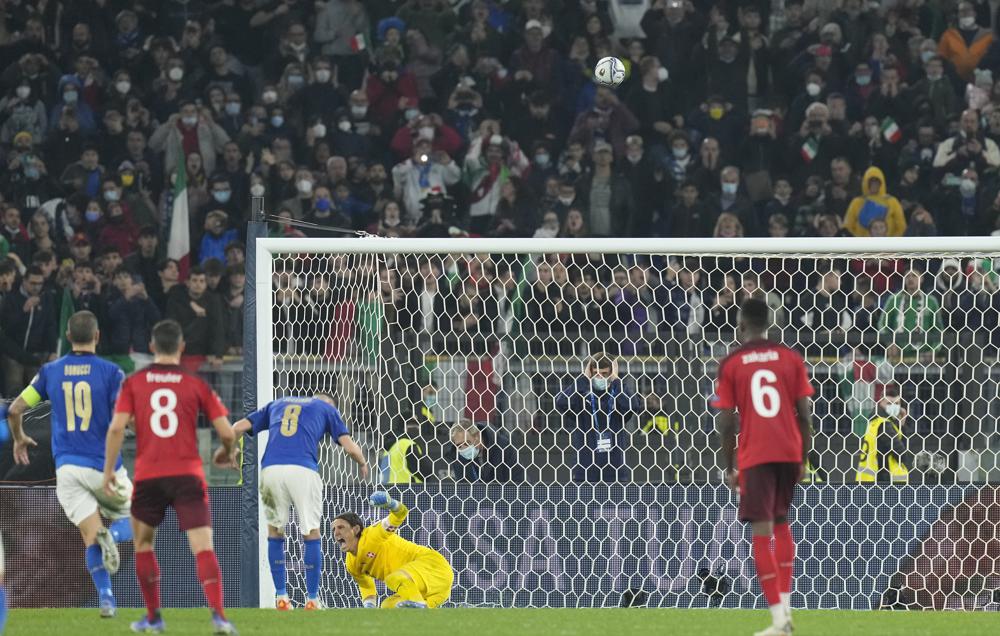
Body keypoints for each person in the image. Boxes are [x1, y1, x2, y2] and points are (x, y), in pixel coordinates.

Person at [102, 319, 238, 634]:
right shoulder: (197, 384)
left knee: (144, 544)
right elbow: (227, 433)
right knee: (203, 546)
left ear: (151, 347)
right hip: (188, 475)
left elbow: (116, 427)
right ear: (182, 348)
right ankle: (219, 616)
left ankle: (154, 618)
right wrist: (224, 452)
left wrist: (109, 471)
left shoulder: (134, 383)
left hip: (149, 475)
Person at [6, 311, 132, 618]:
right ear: (97, 336)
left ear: (68, 335)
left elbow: (16, 408)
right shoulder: (111, 372)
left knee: (89, 535)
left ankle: (106, 597)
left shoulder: (50, 372)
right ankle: (112, 537)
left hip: (68, 470)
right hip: (103, 465)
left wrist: (20, 438)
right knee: (135, 517)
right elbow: (123, 419)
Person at [714, 298, 814, 636]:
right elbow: (806, 415)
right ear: (768, 324)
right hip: (788, 451)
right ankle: (785, 611)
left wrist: (729, 465)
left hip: (756, 455)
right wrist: (803, 459)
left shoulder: (732, 363)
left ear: (741, 326)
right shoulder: (790, 358)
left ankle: (778, 621)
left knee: (761, 534)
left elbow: (727, 423)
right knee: (783, 524)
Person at [230, 394, 368, 610]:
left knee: (275, 532)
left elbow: (237, 427)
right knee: (311, 532)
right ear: (329, 404)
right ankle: (312, 599)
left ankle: (282, 598)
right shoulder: (327, 408)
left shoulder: (277, 404)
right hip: (303, 470)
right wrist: (362, 462)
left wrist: (230, 449)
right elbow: (349, 447)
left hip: (270, 471)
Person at [333, 491, 454, 608]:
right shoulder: (351, 564)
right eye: (333, 529)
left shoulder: (373, 534)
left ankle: (418, 605)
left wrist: (390, 503)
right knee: (388, 606)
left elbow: (401, 513)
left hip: (435, 568)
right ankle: (421, 608)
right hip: (432, 592)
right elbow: (366, 587)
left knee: (392, 578)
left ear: (355, 529)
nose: (336, 532)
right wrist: (369, 606)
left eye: (341, 527)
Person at [554, 353, 642, 482]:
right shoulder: (581, 396)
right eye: (596, 373)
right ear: (590, 372)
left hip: (615, 471)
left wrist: (616, 380)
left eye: (604, 373)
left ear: (612, 373)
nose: (599, 377)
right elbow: (560, 403)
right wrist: (583, 378)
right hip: (585, 471)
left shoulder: (618, 396)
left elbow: (633, 405)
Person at [856, 387, 910, 484]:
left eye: (897, 404)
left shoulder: (875, 421)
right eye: (889, 403)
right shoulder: (884, 425)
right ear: (880, 403)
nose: (893, 406)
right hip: (884, 480)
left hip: (871, 479)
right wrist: (902, 427)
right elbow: (902, 455)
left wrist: (901, 423)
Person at [446, 420, 522, 482]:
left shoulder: (503, 447)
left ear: (478, 436)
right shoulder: (458, 456)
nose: (463, 449)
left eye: (467, 443)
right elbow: (463, 490)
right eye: (459, 445)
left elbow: (518, 481)